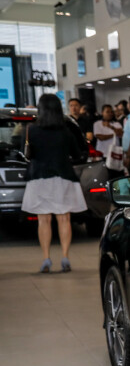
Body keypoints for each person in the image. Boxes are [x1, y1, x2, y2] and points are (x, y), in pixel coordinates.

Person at [20, 94, 87, 273]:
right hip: (62, 177)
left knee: (43, 220)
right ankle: (65, 257)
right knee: (64, 218)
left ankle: (46, 258)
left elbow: (29, 154)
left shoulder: (31, 130)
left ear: (40, 109)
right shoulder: (66, 131)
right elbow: (78, 154)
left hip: (39, 178)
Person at [93, 103, 123, 173]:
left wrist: (110, 127)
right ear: (102, 113)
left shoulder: (116, 124)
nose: (110, 113)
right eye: (107, 112)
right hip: (102, 154)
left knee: (115, 173)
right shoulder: (97, 124)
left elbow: (121, 134)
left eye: (111, 112)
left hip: (115, 154)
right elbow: (100, 137)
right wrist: (114, 134)